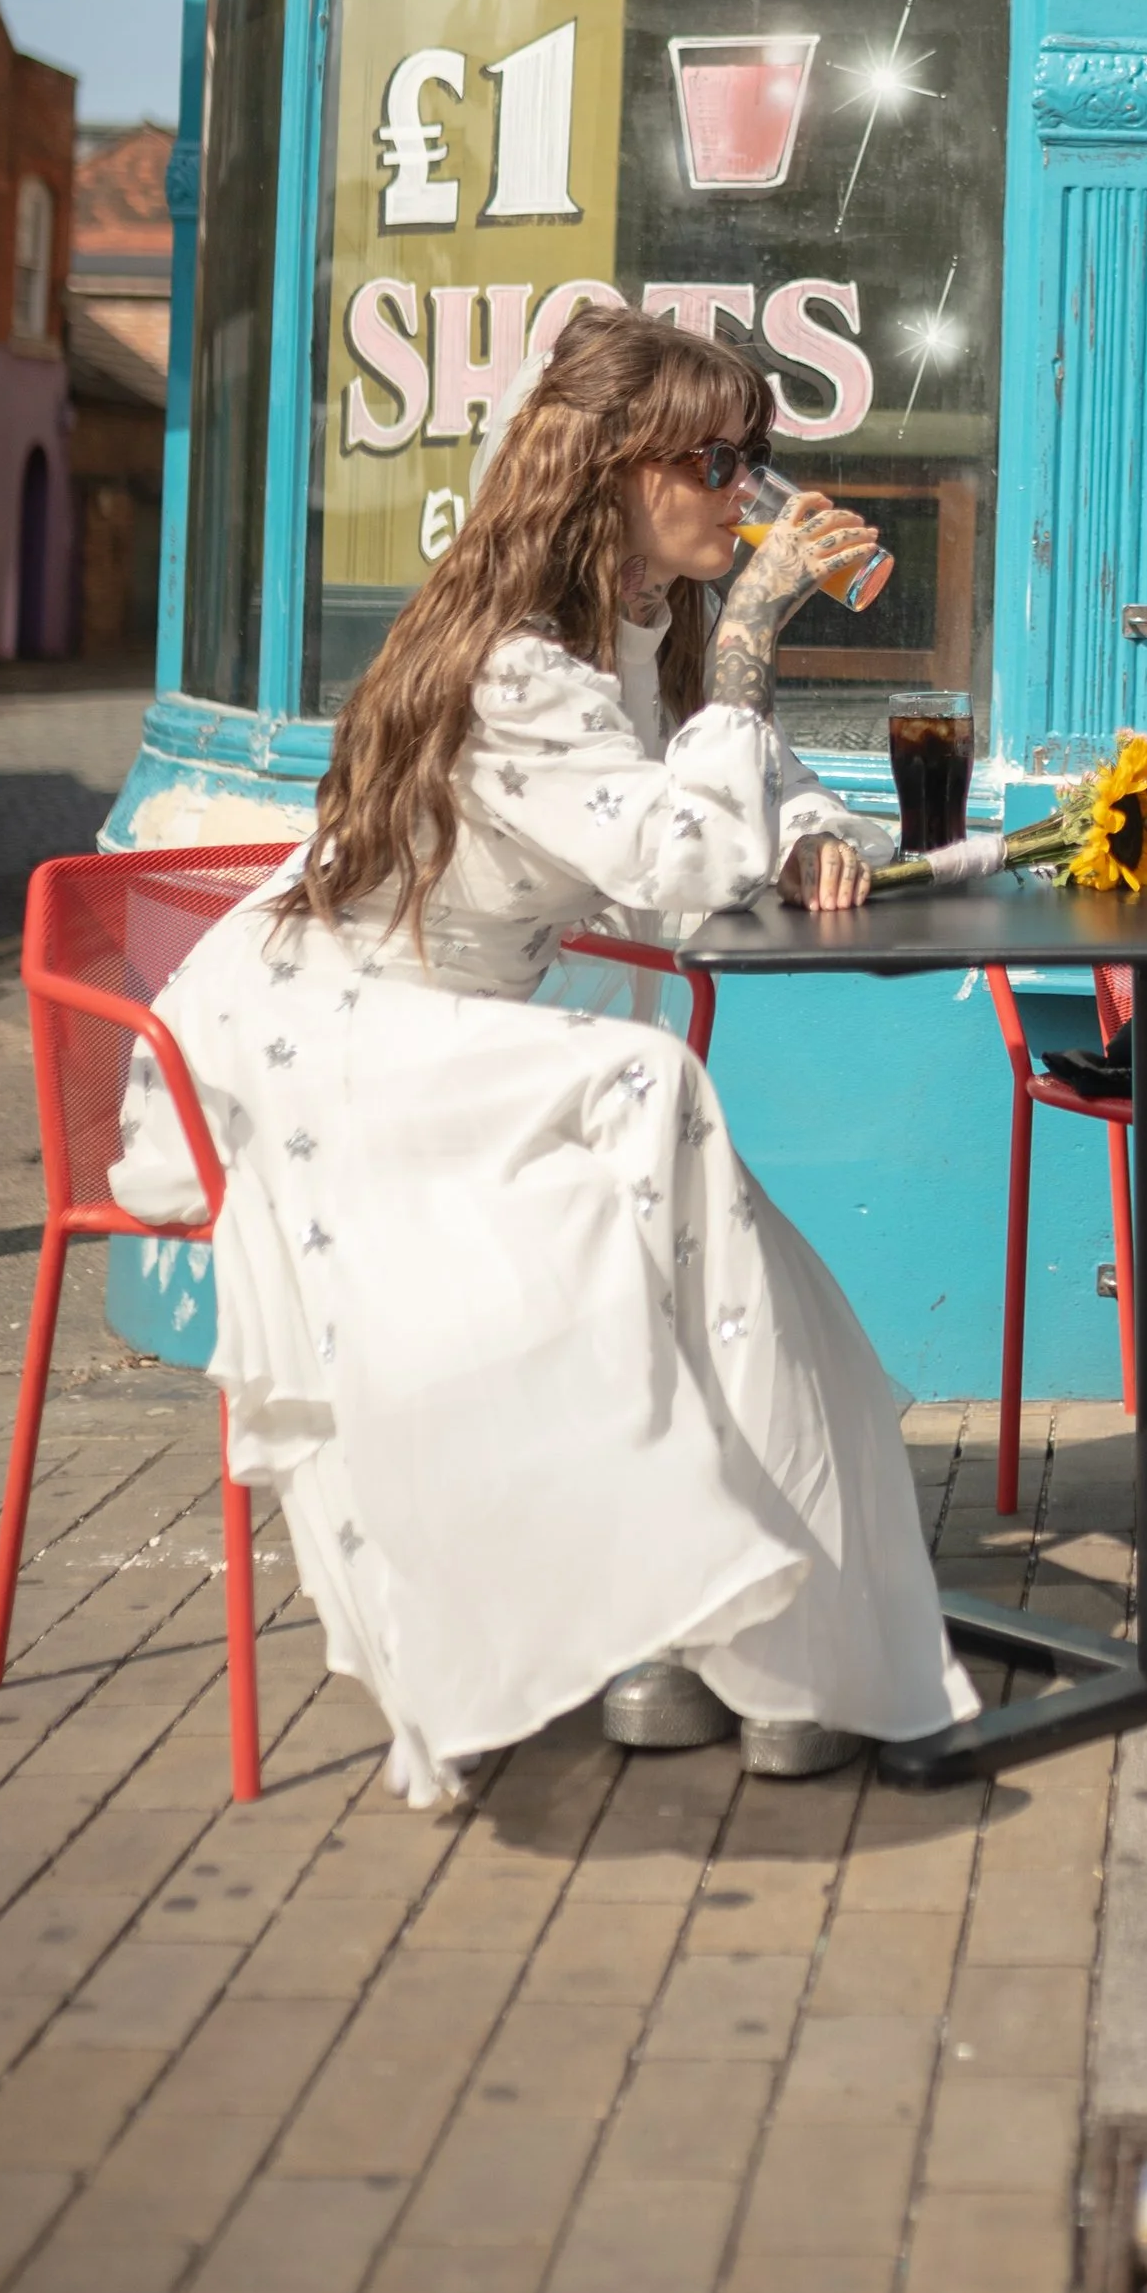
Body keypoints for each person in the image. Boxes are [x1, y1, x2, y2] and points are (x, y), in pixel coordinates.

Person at [109, 305, 975, 1809]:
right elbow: (682, 853)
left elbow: (683, 832)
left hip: (449, 1028)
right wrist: (763, 630)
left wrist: (821, 824)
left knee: (724, 1236)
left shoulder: (618, 639)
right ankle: (711, 1624)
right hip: (328, 1032)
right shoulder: (509, 663)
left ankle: (711, 1622)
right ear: (610, 472)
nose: (743, 485)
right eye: (713, 454)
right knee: (646, 1100)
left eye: (755, 456)